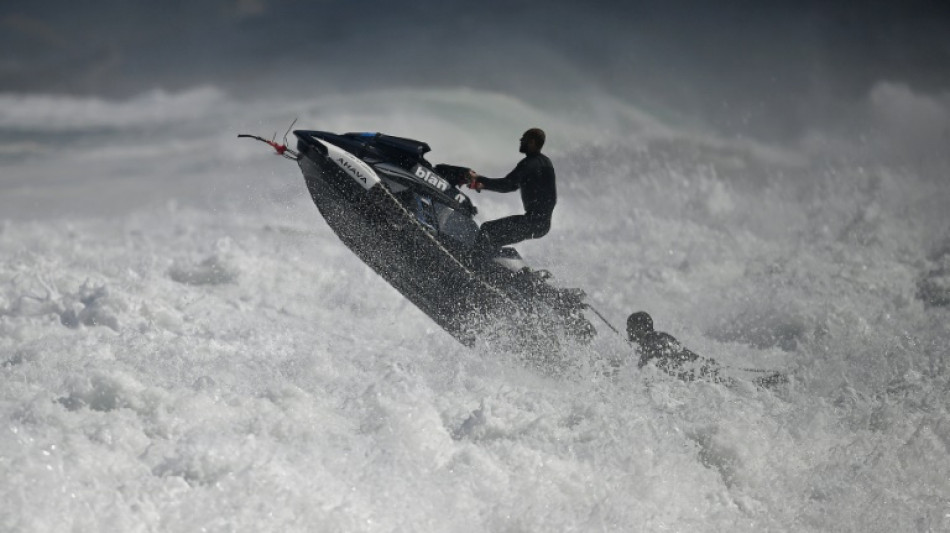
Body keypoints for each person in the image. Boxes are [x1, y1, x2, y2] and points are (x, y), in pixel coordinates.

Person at [464, 128, 556, 258]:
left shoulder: (529, 163)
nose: (520, 140)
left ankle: (474, 267)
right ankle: (500, 272)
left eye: (523, 138)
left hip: (531, 221)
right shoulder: (547, 163)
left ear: (532, 142)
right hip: (543, 224)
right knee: (493, 241)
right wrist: (484, 184)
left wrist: (480, 180)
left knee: (487, 230)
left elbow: (507, 185)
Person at [626, 311, 723, 383]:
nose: (627, 330)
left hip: (703, 374)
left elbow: (643, 369)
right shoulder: (657, 337)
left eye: (630, 326)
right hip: (704, 371)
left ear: (640, 327)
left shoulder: (652, 341)